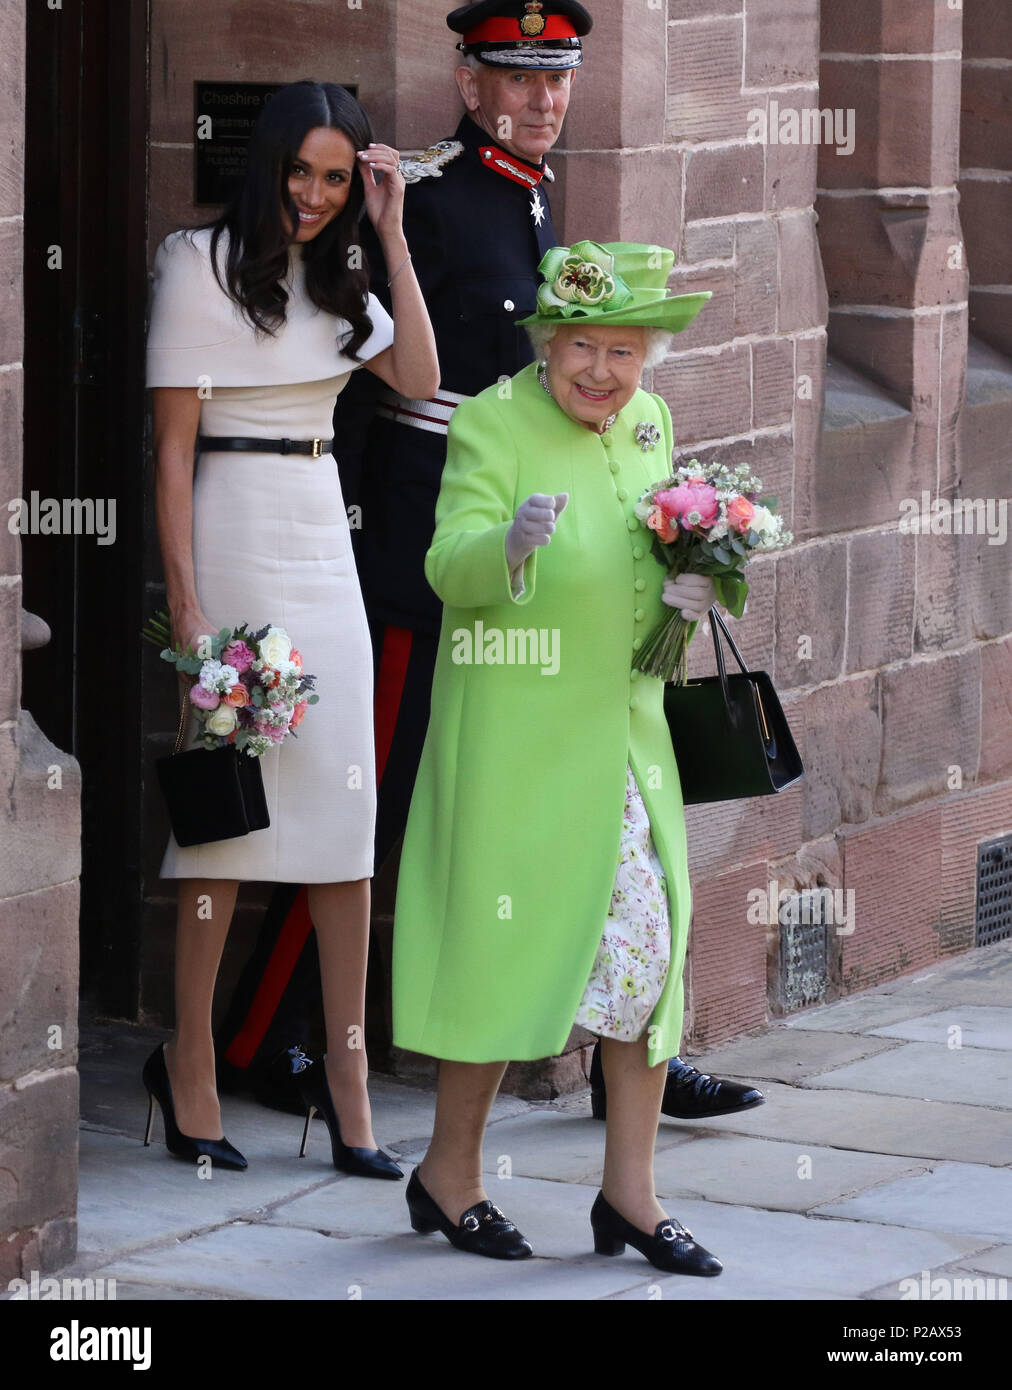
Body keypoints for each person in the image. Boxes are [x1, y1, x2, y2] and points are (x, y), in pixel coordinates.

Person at [217, 1, 764, 1129]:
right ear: (468, 85)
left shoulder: (531, 195)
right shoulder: (416, 195)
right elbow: (367, 379)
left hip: (542, 566)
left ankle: (627, 1048)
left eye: (555, 80)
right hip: (431, 554)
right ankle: (261, 1038)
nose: (541, 100)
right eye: (517, 80)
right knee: (364, 803)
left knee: (572, 818)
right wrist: (365, 547)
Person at [392, 240, 730, 1274]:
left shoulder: (648, 421)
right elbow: (445, 567)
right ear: (546, 342)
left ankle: (629, 1197)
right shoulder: (495, 419)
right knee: (509, 954)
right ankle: (451, 1175)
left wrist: (700, 588)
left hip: (627, 741)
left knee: (646, 958)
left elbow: (665, 546)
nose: (600, 370)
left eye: (622, 350)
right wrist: (510, 546)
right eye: (581, 346)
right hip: (518, 748)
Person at [144, 80, 438, 1177]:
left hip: (322, 535)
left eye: (334, 177)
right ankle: (191, 1071)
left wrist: (392, 233)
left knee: (343, 821)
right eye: (300, 172)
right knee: (225, 816)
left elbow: (418, 378)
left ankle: (351, 1083)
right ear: (265, 164)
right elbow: (173, 448)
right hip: (230, 528)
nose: (313, 196)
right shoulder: (194, 262)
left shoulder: (348, 271)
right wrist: (188, 605)